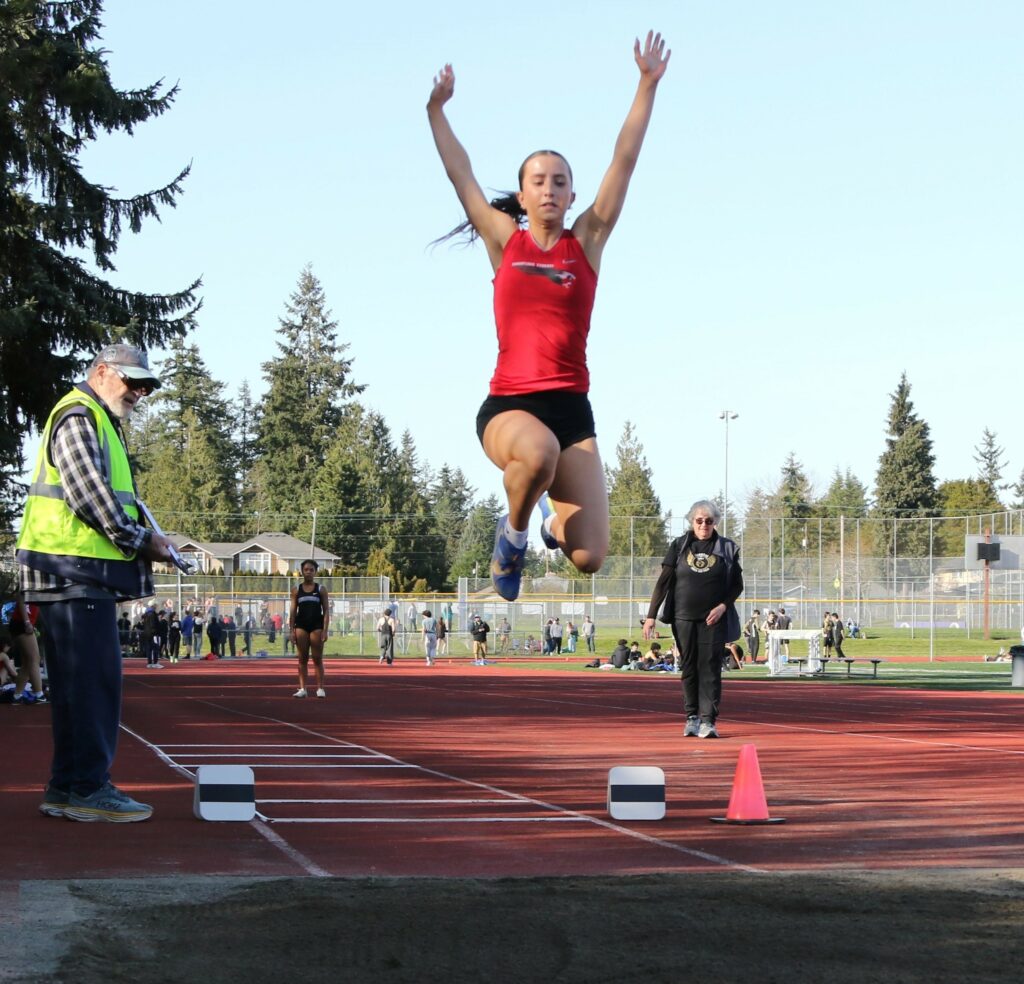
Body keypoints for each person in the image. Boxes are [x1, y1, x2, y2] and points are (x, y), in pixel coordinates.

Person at [427, 31, 671, 601]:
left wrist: (646, 84)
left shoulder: (585, 241)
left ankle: (550, 523)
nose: (549, 190)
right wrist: (436, 110)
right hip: (509, 406)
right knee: (536, 453)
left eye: (560, 182)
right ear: (522, 191)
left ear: (570, 193)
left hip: (571, 408)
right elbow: (459, 174)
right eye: (538, 182)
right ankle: (510, 543)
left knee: (589, 555)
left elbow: (625, 160)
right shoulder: (503, 241)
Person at [15, 342, 173, 821]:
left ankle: (67, 787)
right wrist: (145, 541)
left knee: (74, 687)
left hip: (73, 572)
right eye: (133, 382)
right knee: (93, 684)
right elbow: (90, 498)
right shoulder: (81, 414)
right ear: (102, 372)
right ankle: (87, 787)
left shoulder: (93, 417)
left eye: (146, 386)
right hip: (74, 571)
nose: (140, 393)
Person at [643, 500, 743, 739]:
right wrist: (650, 616)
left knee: (709, 667)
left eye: (709, 521)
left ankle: (708, 721)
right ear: (691, 521)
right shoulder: (679, 545)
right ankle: (692, 718)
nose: (704, 525)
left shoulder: (726, 548)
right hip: (683, 617)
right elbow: (663, 582)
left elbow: (737, 585)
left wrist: (722, 606)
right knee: (689, 667)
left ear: (716, 522)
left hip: (713, 619)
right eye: (699, 520)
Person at [290, 560, 329, 697]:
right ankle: (302, 689)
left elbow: (326, 611)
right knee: (302, 659)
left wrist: (325, 630)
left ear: (315, 572)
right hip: (301, 626)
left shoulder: (320, 589)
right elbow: (293, 611)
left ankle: (320, 689)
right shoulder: (296, 590)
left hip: (316, 626)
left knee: (317, 658)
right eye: (306, 569)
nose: (308, 572)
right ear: (302, 571)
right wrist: (291, 631)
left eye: (311, 570)